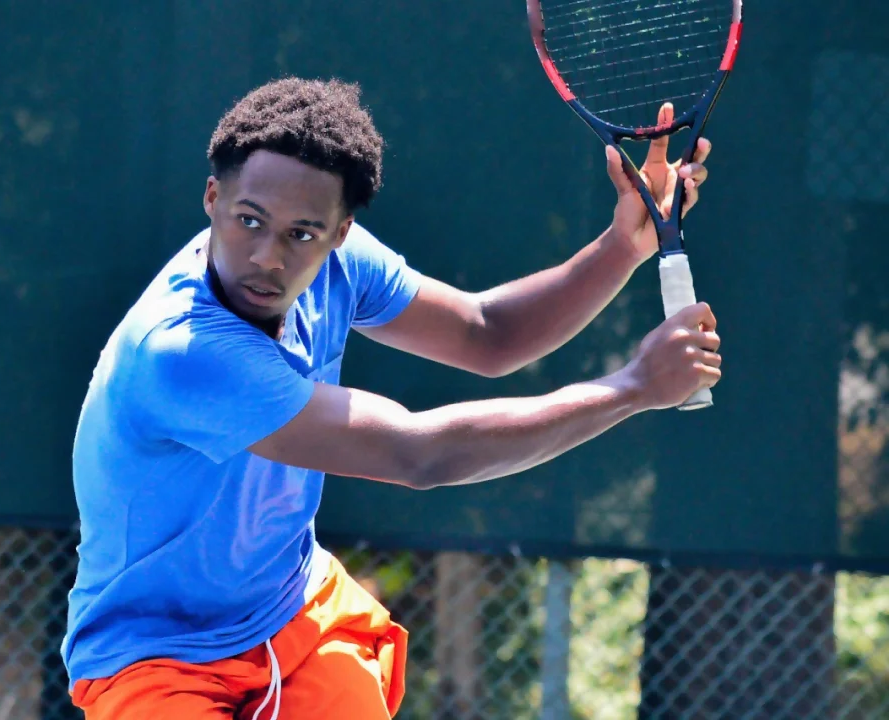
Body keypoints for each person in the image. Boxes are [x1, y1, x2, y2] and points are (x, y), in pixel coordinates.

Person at [61, 77, 720, 719]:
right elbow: (417, 455)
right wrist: (630, 387)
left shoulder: (340, 265)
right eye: (249, 220)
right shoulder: (185, 353)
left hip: (292, 616)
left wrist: (621, 246)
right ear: (212, 198)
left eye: (301, 233)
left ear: (339, 233)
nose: (268, 255)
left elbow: (488, 334)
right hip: (152, 657)